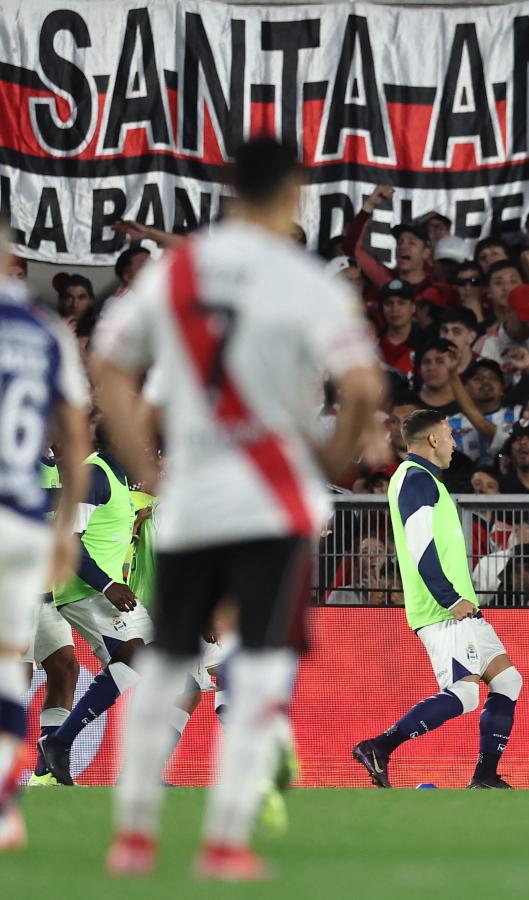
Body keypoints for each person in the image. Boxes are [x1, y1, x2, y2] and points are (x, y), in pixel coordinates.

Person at [92, 138, 386, 879]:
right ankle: (223, 843)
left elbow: (108, 364)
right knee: (255, 668)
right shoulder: (307, 281)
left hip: (189, 497)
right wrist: (327, 462)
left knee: (166, 665)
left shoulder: (181, 267)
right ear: (294, 191)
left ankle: (132, 837)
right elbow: (360, 388)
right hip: (269, 503)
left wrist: (142, 464)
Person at [352, 411, 521, 790]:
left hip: (460, 607)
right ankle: (379, 747)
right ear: (432, 440)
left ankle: (486, 776)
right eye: (449, 435)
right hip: (444, 608)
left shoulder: (420, 479)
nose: (454, 443)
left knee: (508, 680)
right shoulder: (415, 479)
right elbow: (419, 544)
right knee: (464, 694)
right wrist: (449, 598)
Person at [0, 229, 90, 850]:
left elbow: (72, 438)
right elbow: (75, 431)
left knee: (45, 665)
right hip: (25, 522)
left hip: (24, 522)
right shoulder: (45, 332)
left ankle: (35, 778)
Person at [35, 446, 148, 785]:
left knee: (64, 669)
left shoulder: (60, 464)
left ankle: (47, 770)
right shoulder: (19, 455)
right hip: (22, 582)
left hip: (50, 584)